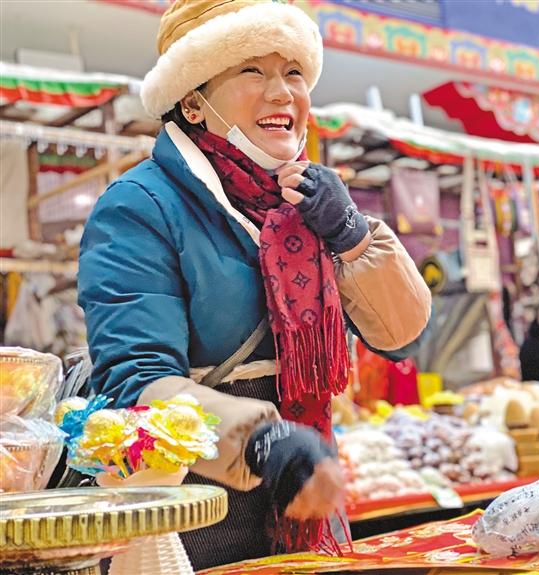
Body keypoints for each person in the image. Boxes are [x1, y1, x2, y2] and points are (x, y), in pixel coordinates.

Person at [77, 0, 431, 569]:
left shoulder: (307, 203)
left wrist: (352, 237)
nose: (281, 92)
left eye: (293, 72)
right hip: (188, 513)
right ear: (192, 100)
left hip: (300, 505)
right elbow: (135, 382)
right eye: (252, 70)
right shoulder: (139, 205)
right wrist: (262, 440)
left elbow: (401, 335)